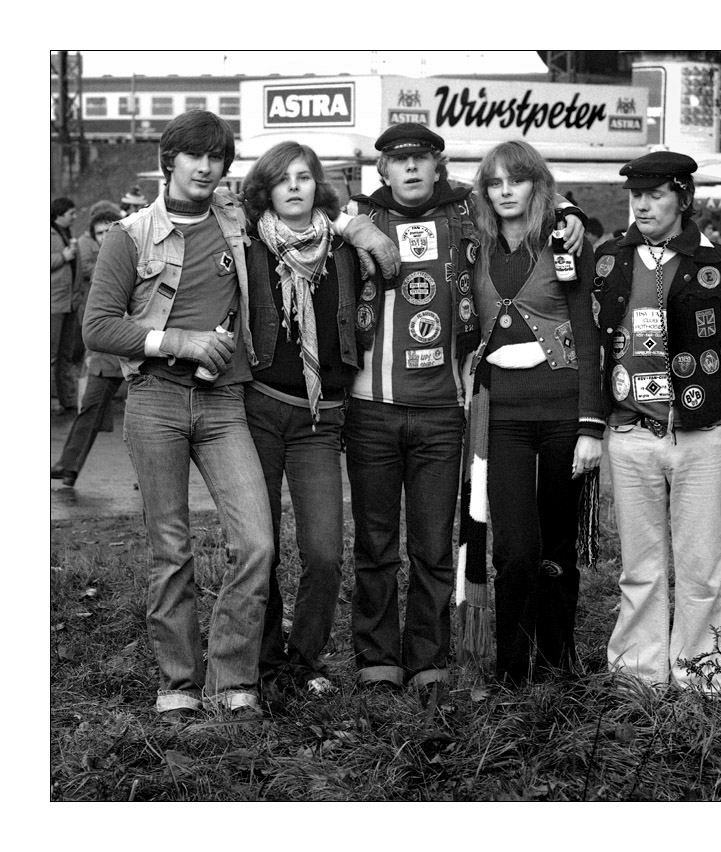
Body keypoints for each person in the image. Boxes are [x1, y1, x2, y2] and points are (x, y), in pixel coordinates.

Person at [84, 113, 399, 723]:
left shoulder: (238, 223)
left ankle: (233, 676)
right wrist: (178, 340)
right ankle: (179, 681)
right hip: (155, 400)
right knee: (170, 548)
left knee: (255, 541)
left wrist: (362, 226)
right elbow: (98, 327)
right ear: (166, 159)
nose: (205, 168)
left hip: (227, 403)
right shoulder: (131, 235)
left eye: (215, 159)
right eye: (193, 157)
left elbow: (319, 217)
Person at [342, 124, 586, 699]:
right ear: (381, 170)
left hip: (445, 411)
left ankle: (430, 657)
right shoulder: (356, 217)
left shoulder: (463, 218)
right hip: (370, 408)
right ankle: (377, 659)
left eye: (421, 160)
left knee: (433, 544)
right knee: (376, 543)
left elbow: (527, 201)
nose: (409, 170)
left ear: (439, 166)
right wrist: (352, 225)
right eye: (397, 162)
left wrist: (569, 210)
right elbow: (303, 202)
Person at [593, 151, 721, 697]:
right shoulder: (609, 260)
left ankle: (699, 673)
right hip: (630, 436)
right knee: (639, 566)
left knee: (700, 565)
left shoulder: (719, 262)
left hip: (703, 435)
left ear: (682, 198)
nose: (642, 204)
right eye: (635, 195)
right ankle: (639, 672)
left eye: (656, 194)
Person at [457, 140, 605, 688]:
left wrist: (592, 421)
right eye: (494, 183)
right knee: (515, 551)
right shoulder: (474, 243)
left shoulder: (564, 241)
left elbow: (588, 335)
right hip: (501, 417)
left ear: (536, 185)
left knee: (557, 548)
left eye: (515, 181)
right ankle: (511, 672)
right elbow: (428, 193)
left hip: (565, 411)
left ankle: (556, 665)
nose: (504, 192)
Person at [240, 141, 362, 698]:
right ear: (264, 190)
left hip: (320, 418)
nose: (294, 186)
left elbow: (442, 207)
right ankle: (266, 661)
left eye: (304, 176)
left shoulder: (345, 246)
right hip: (261, 409)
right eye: (281, 179)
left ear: (319, 185)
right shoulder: (245, 245)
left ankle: (302, 661)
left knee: (324, 553)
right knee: (258, 546)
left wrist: (571, 214)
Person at [51, 203, 125, 487]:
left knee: (146, 422)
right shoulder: (96, 264)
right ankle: (68, 466)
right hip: (106, 354)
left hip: (139, 352)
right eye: (99, 233)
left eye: (110, 230)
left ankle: (152, 478)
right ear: (93, 238)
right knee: (90, 408)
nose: (105, 236)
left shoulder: (131, 260)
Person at [50, 197, 81, 415]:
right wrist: (62, 256)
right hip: (53, 304)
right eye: (71, 213)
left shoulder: (68, 233)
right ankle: (52, 400)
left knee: (66, 355)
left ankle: (68, 399)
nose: (75, 216)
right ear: (59, 214)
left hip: (69, 303)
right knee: (51, 355)